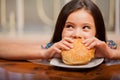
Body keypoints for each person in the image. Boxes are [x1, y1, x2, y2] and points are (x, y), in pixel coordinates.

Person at [0, 0, 119, 60]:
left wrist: (111, 53)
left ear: (97, 32)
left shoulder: (105, 48)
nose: (77, 34)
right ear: (60, 30)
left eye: (86, 27)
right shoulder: (55, 49)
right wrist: (44, 53)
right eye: (69, 26)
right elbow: (3, 49)